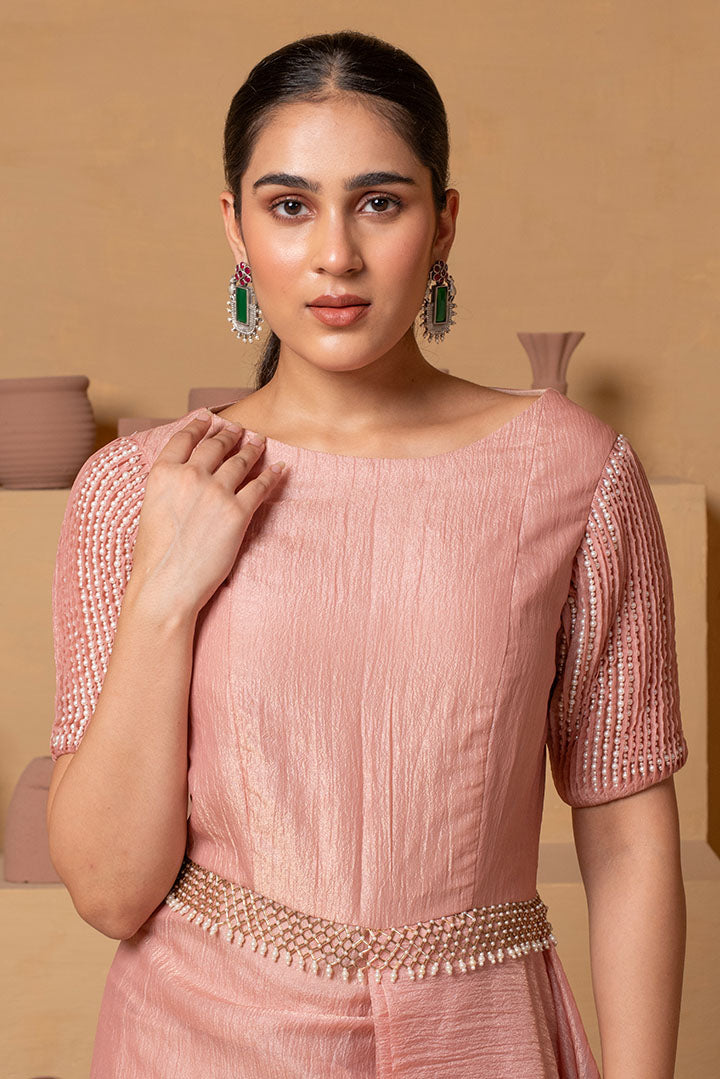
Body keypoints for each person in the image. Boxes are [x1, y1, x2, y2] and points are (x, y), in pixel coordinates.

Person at [46, 29, 688, 1079]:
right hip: (201, 1041)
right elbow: (111, 890)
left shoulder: (575, 473)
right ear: (235, 225)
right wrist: (165, 591)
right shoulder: (138, 488)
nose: (335, 254)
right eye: (290, 206)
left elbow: (624, 829)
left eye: (380, 202)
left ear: (445, 222)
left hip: (482, 1041)